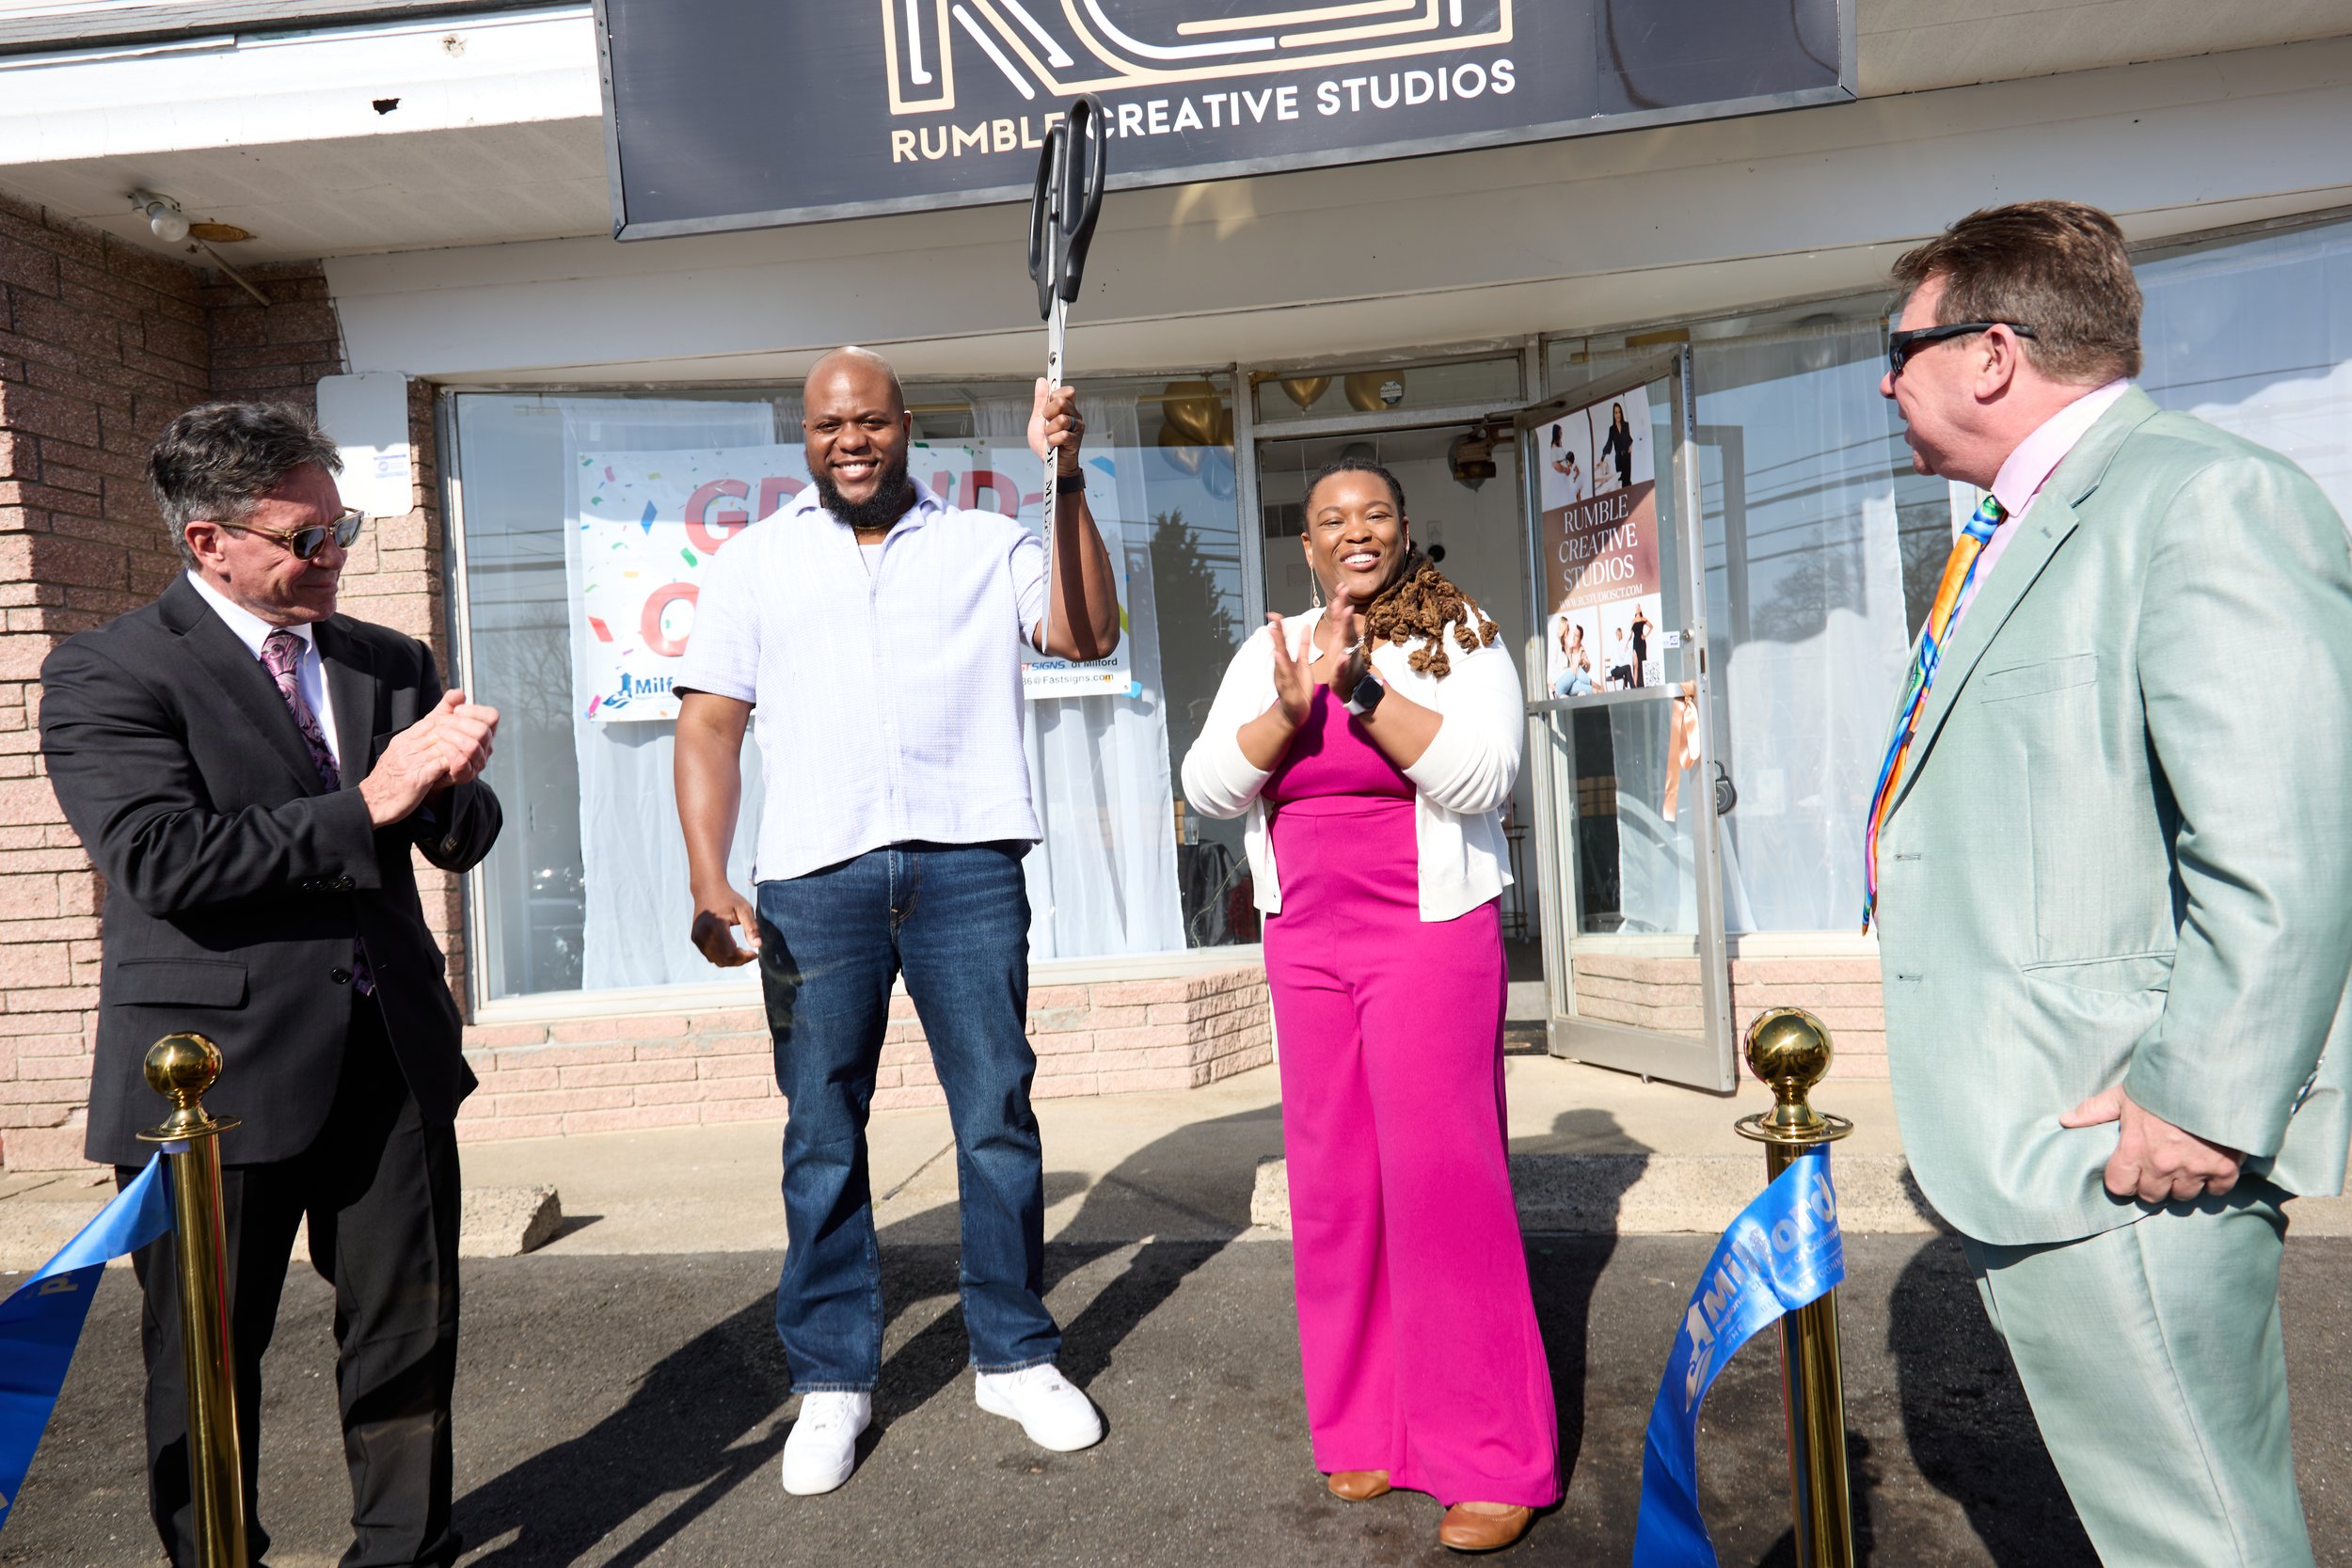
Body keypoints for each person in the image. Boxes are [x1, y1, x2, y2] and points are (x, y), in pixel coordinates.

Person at [1866, 199, 2352, 1567]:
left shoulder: (2204, 496)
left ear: (1993, 351)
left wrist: (2201, 1098)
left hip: (2132, 1146)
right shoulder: (2015, 526)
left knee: (2203, 1540)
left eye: (1898, 348)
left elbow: (2286, 842)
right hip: (2055, 1131)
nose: (1886, 380)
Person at [39, 403, 503, 1568]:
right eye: (306, 537)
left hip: (389, 1054)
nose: (333, 553)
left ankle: (403, 1552)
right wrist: (375, 800)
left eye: (338, 526)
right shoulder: (108, 668)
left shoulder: (385, 658)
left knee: (407, 1335)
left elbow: (453, 836)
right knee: (204, 1358)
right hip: (208, 1080)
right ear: (210, 542)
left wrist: (448, 786)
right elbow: (162, 858)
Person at [672, 346, 1121, 1497]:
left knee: (995, 1116)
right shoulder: (755, 563)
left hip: (968, 863)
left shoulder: (987, 540)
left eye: (870, 420)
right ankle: (832, 1378)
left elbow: (1084, 632)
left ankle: (1013, 1353)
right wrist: (706, 874)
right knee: (821, 1131)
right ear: (804, 437)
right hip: (814, 880)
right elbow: (712, 725)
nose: (851, 441)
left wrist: (1063, 474)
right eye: (828, 426)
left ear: (906, 425)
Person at [1181, 458, 1556, 1554]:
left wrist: (1360, 693)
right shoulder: (1273, 647)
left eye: (1375, 513)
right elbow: (1207, 786)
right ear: (1306, 545)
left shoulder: (1461, 633)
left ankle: (1489, 1456)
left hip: (1427, 935)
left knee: (1442, 1185)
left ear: (1403, 528)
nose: (1355, 532)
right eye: (1331, 520)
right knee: (1338, 1183)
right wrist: (1288, 704)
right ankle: (1370, 1423)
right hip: (1307, 940)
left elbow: (1484, 779)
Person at [1598, 401, 1636, 491]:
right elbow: (1608, 444)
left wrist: (1631, 445)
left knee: (1627, 481)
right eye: (1616, 412)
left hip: (1627, 456)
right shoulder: (1612, 429)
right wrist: (1602, 458)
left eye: (1619, 412)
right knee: (1621, 482)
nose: (1618, 414)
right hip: (1618, 458)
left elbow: (1629, 439)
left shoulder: (1626, 425)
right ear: (1613, 414)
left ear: (1621, 413)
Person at [1551, 618, 1594, 697]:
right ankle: (1593, 683)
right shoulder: (1557, 643)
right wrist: (1551, 684)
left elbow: (1587, 665)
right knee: (1575, 669)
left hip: (1571, 683)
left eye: (1576, 636)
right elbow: (1551, 666)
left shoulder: (1576, 649)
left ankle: (1594, 688)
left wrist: (1581, 660)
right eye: (1568, 628)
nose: (1569, 631)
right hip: (1560, 683)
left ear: (1580, 639)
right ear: (1564, 629)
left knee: (1583, 687)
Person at [1629, 605, 1653, 688]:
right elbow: (1631, 634)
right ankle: (1634, 686)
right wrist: (1626, 643)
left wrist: (1645, 635)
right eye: (1636, 607)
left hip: (1642, 643)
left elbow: (1651, 626)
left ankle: (1644, 684)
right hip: (1635, 642)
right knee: (1635, 664)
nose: (1638, 609)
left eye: (1639, 607)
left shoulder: (1643, 619)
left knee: (1643, 662)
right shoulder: (1633, 620)